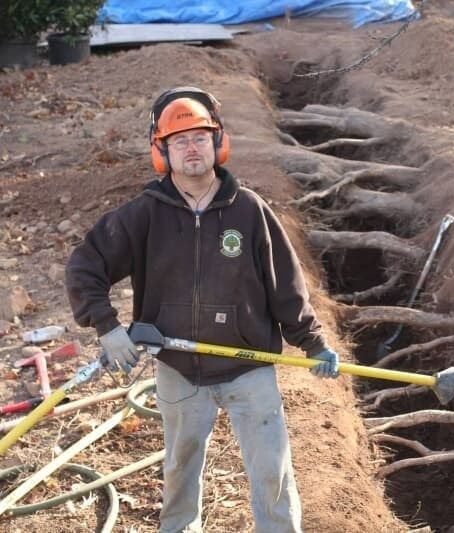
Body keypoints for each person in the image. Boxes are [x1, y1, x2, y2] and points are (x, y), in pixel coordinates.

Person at [65, 86, 339, 533]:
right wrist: (107, 326)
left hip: (248, 365)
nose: (191, 148)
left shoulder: (250, 211)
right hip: (178, 369)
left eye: (199, 137)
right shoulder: (144, 215)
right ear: (162, 152)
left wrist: (314, 343)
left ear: (218, 143)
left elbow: (286, 287)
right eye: (179, 141)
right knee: (179, 478)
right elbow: (84, 265)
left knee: (273, 475)